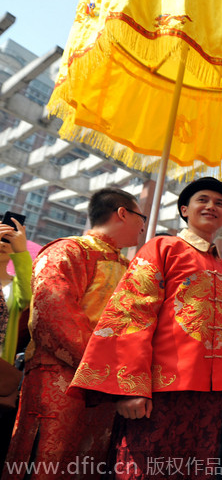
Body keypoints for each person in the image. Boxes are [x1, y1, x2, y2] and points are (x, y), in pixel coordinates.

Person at [68, 177, 222, 480]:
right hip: (160, 392)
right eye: (203, 199)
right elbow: (132, 315)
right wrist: (130, 387)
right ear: (184, 209)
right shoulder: (162, 247)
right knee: (143, 471)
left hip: (209, 397)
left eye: (220, 204)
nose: (212, 206)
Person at [4, 188, 144, 480]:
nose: (144, 225)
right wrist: (105, 369)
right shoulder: (68, 250)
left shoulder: (129, 268)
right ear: (122, 213)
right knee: (46, 463)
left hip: (106, 390)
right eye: (141, 217)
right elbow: (52, 315)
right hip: (61, 381)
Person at [0, 216, 32, 364]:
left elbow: (26, 299)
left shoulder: (16, 285)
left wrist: (21, 251)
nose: (2, 243)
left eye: (8, 238)